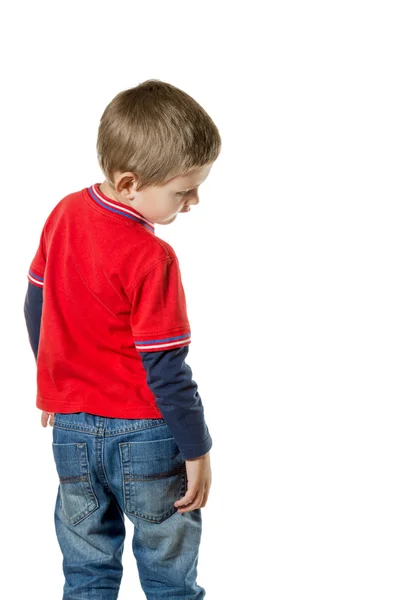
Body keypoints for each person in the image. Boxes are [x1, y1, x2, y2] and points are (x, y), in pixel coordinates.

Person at [23, 79, 222, 600]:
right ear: (130, 182)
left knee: (86, 570)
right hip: (147, 437)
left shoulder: (64, 215)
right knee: (168, 575)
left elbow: (35, 305)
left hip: (71, 432)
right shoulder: (153, 258)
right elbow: (166, 369)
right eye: (184, 190)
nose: (195, 199)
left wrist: (56, 384)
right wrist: (197, 448)